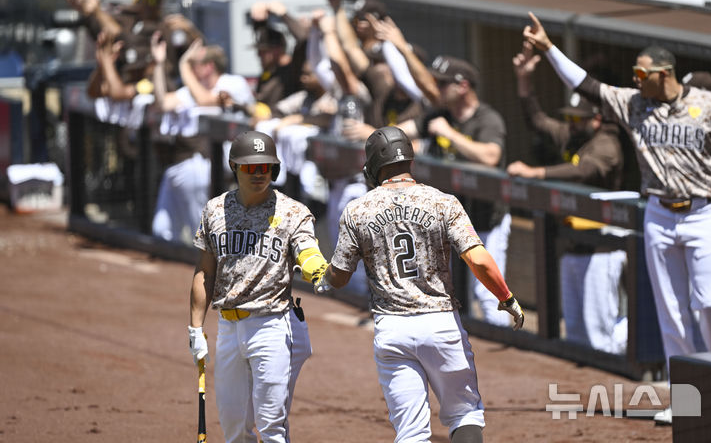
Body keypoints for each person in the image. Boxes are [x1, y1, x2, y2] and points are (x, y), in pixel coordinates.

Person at [523, 12, 711, 425]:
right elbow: (584, 84)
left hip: (704, 211)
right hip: (660, 214)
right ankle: (688, 401)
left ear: (664, 74)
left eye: (641, 73)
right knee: (671, 311)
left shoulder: (708, 105)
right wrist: (549, 48)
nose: (635, 79)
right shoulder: (633, 103)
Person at [316, 126, 524, 443]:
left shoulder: (358, 210)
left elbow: (340, 277)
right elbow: (479, 260)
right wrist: (506, 297)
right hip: (441, 324)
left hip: (392, 329)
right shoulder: (443, 202)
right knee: (464, 415)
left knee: (411, 432)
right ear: (410, 160)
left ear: (372, 166)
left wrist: (322, 279)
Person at [189, 130, 326, 443]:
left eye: (265, 167)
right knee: (234, 428)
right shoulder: (214, 210)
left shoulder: (292, 212)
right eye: (250, 167)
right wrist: (195, 328)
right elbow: (204, 271)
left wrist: (314, 264)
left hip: (271, 325)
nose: (258, 173)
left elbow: (306, 246)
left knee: (271, 426)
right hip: (227, 328)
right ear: (234, 167)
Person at [507, 41, 627, 354]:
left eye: (579, 119)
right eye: (570, 118)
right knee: (574, 333)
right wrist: (524, 80)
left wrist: (538, 174)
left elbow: (586, 171)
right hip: (574, 245)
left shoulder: (607, 143)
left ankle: (620, 387)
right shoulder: (575, 135)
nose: (571, 124)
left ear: (597, 119)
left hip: (602, 248)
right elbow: (537, 120)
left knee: (602, 338)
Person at [394, 54, 513, 326]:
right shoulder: (439, 115)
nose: (438, 89)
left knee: (487, 293)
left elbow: (491, 155)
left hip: (486, 220)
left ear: (463, 86)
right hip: (450, 221)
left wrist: (449, 134)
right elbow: (399, 132)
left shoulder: (487, 119)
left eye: (444, 84)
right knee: (445, 289)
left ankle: (508, 352)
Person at [151, 35, 255, 244]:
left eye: (194, 64)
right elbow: (162, 102)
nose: (190, 68)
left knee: (203, 237)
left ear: (209, 66)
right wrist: (159, 64)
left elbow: (206, 101)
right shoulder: (193, 89)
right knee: (162, 231)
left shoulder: (232, 83)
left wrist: (183, 66)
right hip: (194, 164)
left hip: (226, 166)